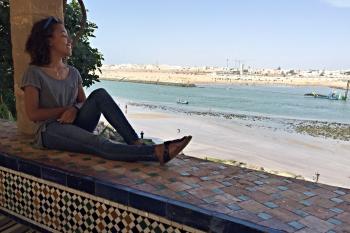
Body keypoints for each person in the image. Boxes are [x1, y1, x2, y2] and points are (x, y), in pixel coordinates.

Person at [21, 16, 192, 165]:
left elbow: (83, 102)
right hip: (51, 130)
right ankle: (155, 153)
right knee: (98, 142)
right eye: (64, 35)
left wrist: (74, 109)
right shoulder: (35, 73)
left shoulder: (73, 72)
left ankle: (135, 142)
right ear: (49, 40)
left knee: (100, 94)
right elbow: (33, 114)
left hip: (77, 124)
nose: (70, 40)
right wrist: (65, 110)